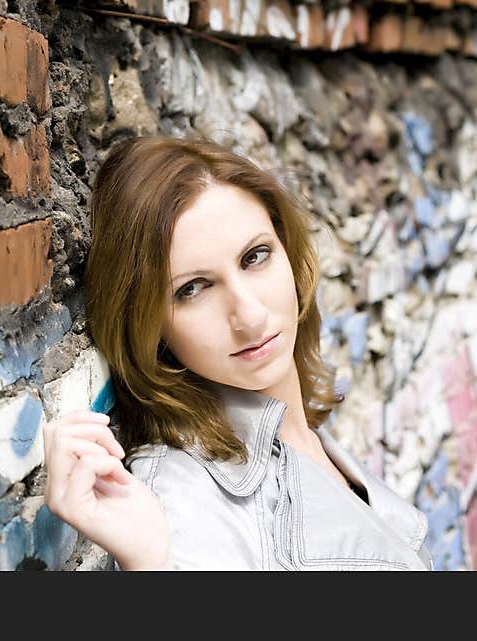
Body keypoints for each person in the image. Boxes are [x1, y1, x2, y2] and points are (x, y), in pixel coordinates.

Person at [41, 135, 433, 571]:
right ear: (149, 324)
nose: (248, 315)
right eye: (192, 289)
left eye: (255, 257)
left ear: (287, 249)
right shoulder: (180, 494)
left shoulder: (305, 440)